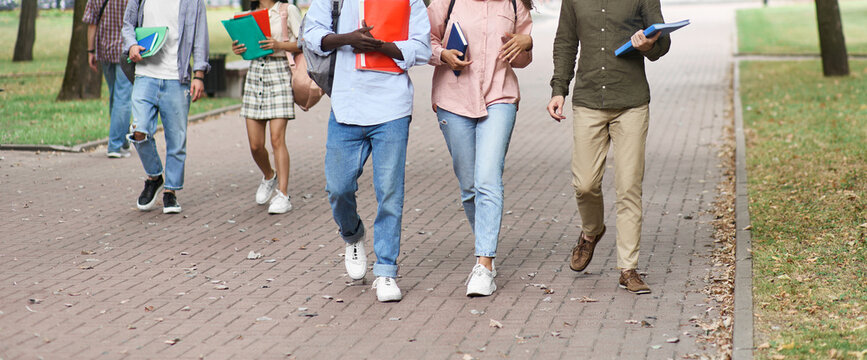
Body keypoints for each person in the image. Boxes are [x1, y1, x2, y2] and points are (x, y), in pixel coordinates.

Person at [302, 0, 431, 302]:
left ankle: (386, 271)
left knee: (390, 192)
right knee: (338, 188)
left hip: (392, 106)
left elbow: (422, 48)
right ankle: (352, 234)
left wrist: (382, 46)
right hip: (346, 105)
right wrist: (347, 38)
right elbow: (312, 34)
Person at [547, 0, 670, 294]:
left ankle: (628, 269)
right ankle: (592, 232)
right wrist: (559, 89)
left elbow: (662, 42)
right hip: (588, 101)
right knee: (585, 185)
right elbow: (565, 42)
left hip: (631, 103)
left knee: (629, 187)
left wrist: (648, 46)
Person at [427, 0, 533, 296]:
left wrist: (527, 44)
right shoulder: (446, 2)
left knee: (487, 179)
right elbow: (426, 40)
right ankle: (485, 247)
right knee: (470, 187)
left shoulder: (514, 4)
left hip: (500, 97)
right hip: (453, 100)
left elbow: (521, 60)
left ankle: (484, 265)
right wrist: (442, 54)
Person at [122, 0, 209, 214]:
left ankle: (171, 191)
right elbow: (128, 24)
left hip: (176, 78)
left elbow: (200, 38)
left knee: (176, 140)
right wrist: (131, 45)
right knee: (139, 130)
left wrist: (199, 75)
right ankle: (154, 177)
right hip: (145, 75)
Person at [232, 0, 302, 214]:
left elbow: (304, 43)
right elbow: (246, 49)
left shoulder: (287, 10)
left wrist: (279, 45)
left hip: (280, 74)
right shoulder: (249, 15)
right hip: (255, 74)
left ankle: (283, 195)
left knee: (277, 138)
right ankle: (269, 176)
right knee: (255, 145)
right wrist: (239, 49)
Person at [83, 0, 132, 158]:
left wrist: (90, 51)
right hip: (127, 50)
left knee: (114, 96)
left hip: (105, 50)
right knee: (122, 98)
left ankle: (123, 140)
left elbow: (91, 23)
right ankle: (115, 145)